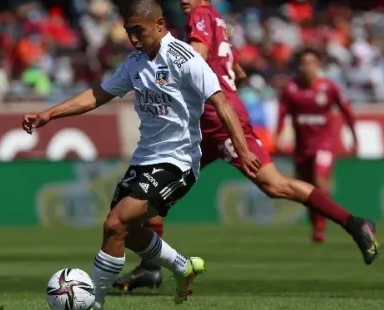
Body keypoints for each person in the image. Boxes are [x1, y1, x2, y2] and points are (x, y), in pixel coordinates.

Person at [113, 0, 379, 292]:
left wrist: (162, 69)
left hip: (217, 122)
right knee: (157, 190)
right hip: (205, 122)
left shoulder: (201, 15)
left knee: (274, 184)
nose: (183, 1)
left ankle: (355, 223)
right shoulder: (216, 19)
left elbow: (196, 56)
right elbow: (238, 72)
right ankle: (150, 269)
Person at [22, 0, 262, 308]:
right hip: (144, 159)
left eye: (139, 31)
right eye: (128, 32)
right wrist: (49, 114)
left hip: (179, 162)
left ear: (160, 25)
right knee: (129, 232)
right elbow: (98, 94)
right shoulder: (136, 61)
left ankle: (93, 301)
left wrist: (242, 151)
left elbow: (222, 103)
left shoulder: (184, 58)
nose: (133, 39)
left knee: (114, 225)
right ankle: (182, 267)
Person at [275, 48, 359, 243]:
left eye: (311, 63)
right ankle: (317, 225)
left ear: (318, 65)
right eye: (304, 63)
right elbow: (282, 114)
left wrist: (354, 138)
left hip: (325, 144)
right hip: (302, 147)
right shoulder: (291, 88)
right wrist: (278, 136)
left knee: (320, 180)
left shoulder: (329, 87)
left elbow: (347, 111)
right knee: (307, 188)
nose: (307, 67)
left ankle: (325, 222)